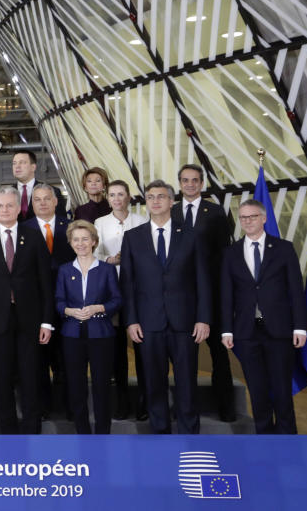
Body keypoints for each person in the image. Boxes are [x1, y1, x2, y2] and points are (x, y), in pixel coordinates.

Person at [120, 180, 210, 435]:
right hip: (148, 323)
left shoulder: (191, 235)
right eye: (150, 197)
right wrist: (132, 320)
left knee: (186, 383)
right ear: (146, 202)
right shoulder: (133, 238)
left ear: (172, 202)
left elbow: (203, 281)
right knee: (153, 382)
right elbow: (128, 284)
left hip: (185, 323)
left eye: (161, 196)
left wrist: (203, 319)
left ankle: (189, 432)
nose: (155, 201)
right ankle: (159, 432)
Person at [220, 200, 307, 434]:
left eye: (253, 216)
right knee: (257, 391)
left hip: (280, 331)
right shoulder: (231, 253)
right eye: (243, 217)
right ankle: (265, 440)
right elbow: (227, 294)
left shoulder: (284, 248)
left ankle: (288, 442)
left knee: (281, 390)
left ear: (264, 218)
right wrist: (227, 329)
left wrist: (300, 327)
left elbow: (295, 291)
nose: (248, 221)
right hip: (246, 333)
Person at [0, 189, 53, 434]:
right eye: (0, 206)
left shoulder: (33, 235)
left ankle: (32, 426)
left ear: (19, 208)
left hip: (30, 318)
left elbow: (45, 282)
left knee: (30, 375)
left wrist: (47, 322)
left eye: (9, 206)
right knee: (2, 376)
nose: (4, 210)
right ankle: (7, 428)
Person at [172, 163, 236, 422]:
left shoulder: (216, 212)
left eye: (194, 180)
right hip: (181, 296)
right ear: (179, 183)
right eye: (185, 180)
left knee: (219, 354)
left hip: (212, 294)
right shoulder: (171, 211)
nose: (190, 184)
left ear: (201, 183)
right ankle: (186, 410)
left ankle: (227, 409)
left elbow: (224, 254)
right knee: (184, 357)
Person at [55, 221, 121, 434]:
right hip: (72, 335)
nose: (80, 243)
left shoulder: (107, 270)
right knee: (76, 386)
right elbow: (58, 301)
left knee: (102, 385)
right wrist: (70, 311)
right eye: (76, 239)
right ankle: (82, 431)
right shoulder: (64, 270)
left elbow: (117, 300)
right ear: (70, 243)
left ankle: (103, 432)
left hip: (101, 334)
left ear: (94, 241)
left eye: (85, 239)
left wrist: (98, 307)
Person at [94, 180, 149, 421]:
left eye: (121, 194)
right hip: (111, 291)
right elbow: (94, 253)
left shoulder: (142, 220)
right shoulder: (100, 223)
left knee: (142, 350)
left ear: (129, 197)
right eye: (113, 195)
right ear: (108, 198)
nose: (117, 199)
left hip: (138, 291)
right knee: (116, 352)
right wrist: (109, 260)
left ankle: (144, 403)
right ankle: (122, 402)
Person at [24, 183, 75, 416]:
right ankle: (43, 407)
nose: (42, 203)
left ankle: (68, 407)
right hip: (34, 305)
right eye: (37, 199)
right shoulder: (21, 230)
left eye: (47, 199)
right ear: (31, 203)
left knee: (66, 359)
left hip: (68, 303)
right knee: (38, 360)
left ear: (56, 202)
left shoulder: (70, 228)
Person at [12, 149, 66, 221]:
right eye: (14, 163)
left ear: (33, 167)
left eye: (22, 162)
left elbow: (61, 221)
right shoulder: (6, 194)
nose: (17, 166)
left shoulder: (52, 191)